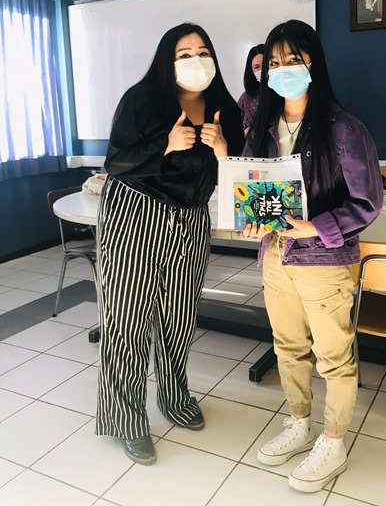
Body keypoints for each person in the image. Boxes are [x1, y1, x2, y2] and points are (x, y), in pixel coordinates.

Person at [242, 20, 383, 493]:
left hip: (323, 260)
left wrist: (315, 226)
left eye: (293, 59)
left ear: (313, 63)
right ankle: (299, 421)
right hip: (276, 255)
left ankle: (334, 440)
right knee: (287, 346)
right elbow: (254, 191)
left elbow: (368, 203)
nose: (282, 69)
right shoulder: (263, 129)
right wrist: (252, 218)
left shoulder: (343, 128)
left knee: (333, 356)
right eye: (274, 62)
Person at [95, 23, 244, 465]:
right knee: (128, 320)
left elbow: (238, 174)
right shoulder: (142, 99)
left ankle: (174, 397)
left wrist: (223, 151)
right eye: (184, 53)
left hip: (191, 218)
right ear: (168, 60)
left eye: (202, 51)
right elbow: (115, 162)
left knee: (179, 317)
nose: (195, 60)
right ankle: (126, 418)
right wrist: (165, 144)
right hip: (135, 212)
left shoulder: (224, 107)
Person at [237, 43, 265, 135]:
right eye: (257, 67)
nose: (262, 70)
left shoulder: (283, 93)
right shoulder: (246, 98)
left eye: (266, 65)